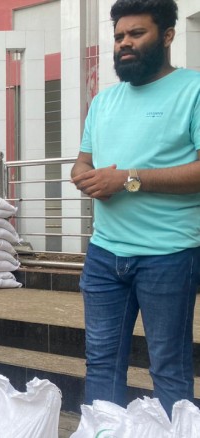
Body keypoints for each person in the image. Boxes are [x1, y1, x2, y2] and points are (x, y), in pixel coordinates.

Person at [71, 0, 200, 415]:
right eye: (119, 36)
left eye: (136, 34)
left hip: (170, 254)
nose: (124, 43)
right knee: (102, 364)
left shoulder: (193, 90)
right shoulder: (104, 102)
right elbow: (83, 160)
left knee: (168, 367)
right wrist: (84, 177)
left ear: (167, 36)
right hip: (105, 254)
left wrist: (127, 178)